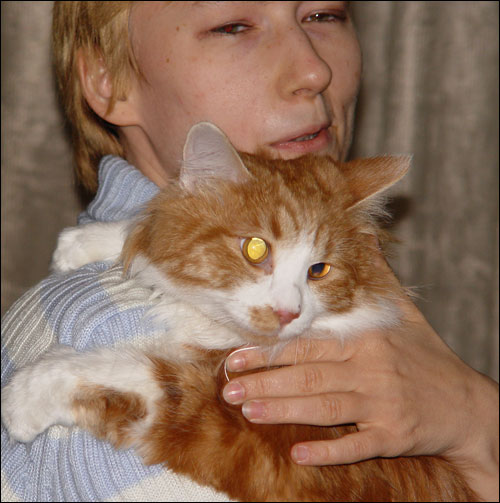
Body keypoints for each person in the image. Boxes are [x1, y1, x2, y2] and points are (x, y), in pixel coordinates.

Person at [1, 2, 498, 502]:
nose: (314, 70)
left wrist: (475, 411)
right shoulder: (110, 332)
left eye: (323, 15)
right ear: (107, 80)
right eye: (233, 26)